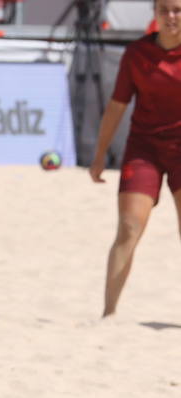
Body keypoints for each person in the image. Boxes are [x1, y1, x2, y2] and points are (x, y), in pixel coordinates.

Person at [89, 0, 181, 318]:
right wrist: (99, 155)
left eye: (178, 10)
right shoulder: (137, 54)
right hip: (145, 149)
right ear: (154, 14)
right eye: (165, 10)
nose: (171, 16)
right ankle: (108, 314)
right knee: (128, 226)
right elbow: (116, 106)